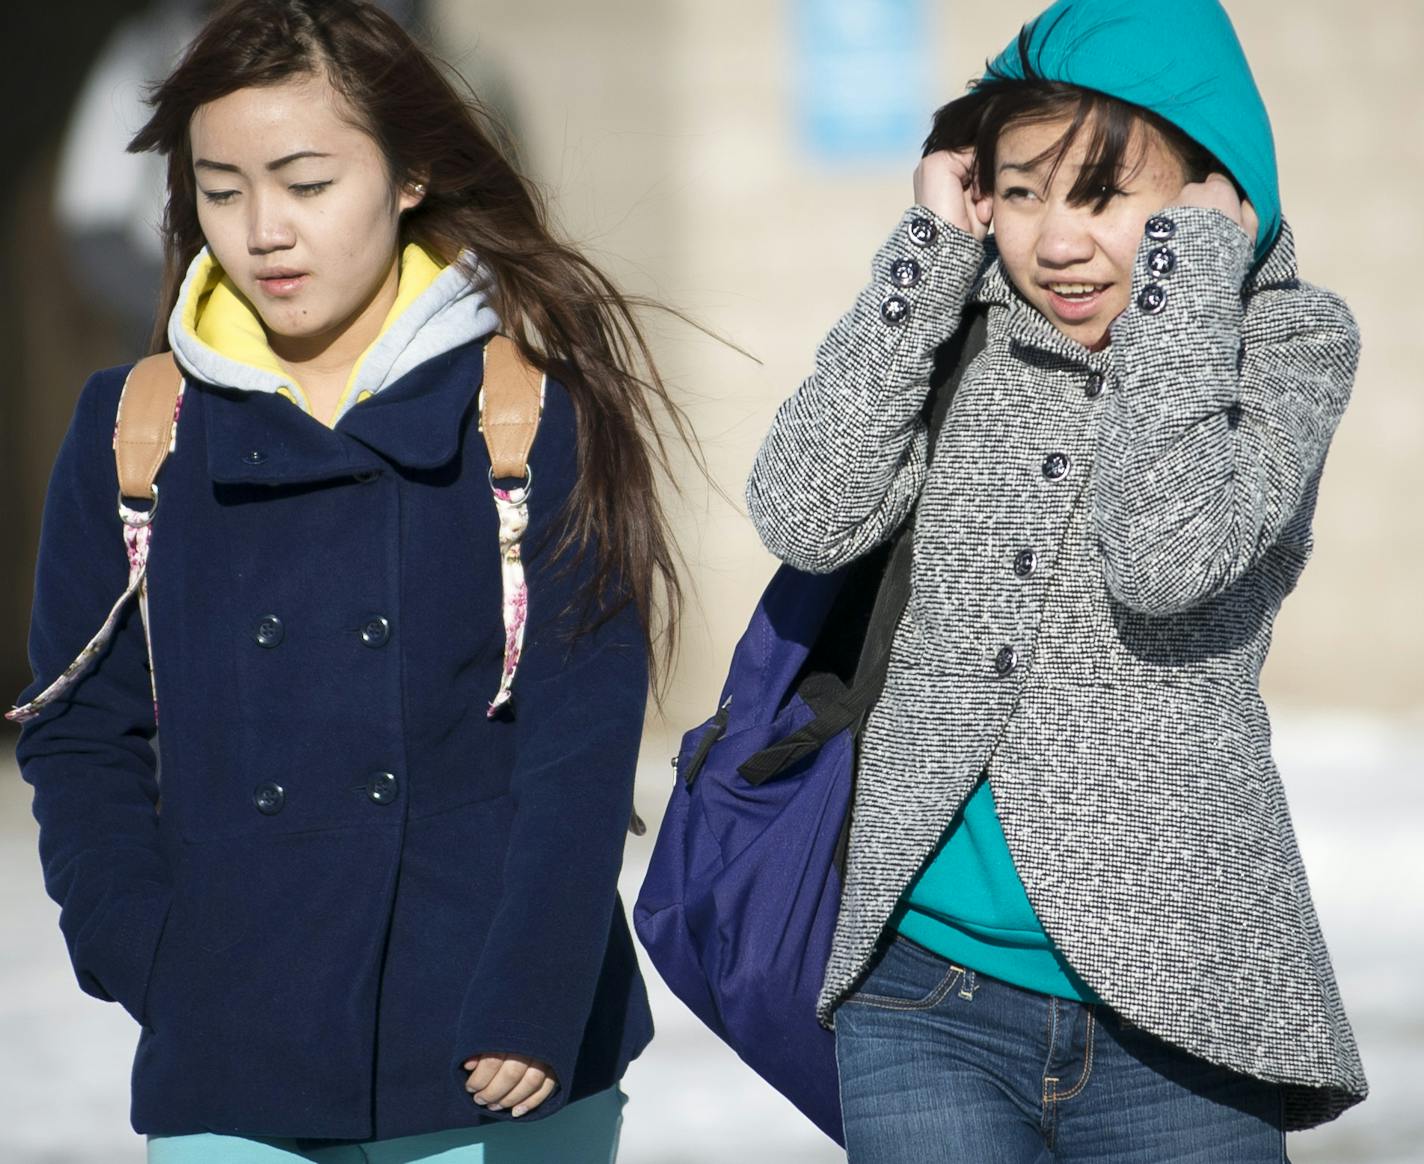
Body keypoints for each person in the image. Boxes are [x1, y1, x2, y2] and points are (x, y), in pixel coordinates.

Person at [12, 1, 689, 1160]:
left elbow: (579, 738)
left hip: (496, 1050)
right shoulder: (135, 427)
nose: (262, 230)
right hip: (233, 1056)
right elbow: (80, 733)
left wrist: (530, 991)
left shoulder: (522, 413)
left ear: (410, 171)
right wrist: (150, 953)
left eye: (305, 183)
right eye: (221, 190)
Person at [745, 1, 1366, 1159]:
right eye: (1019, 192)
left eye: (1101, 197)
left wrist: (1184, 291)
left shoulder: (1287, 348)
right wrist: (924, 259)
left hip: (1178, 1000)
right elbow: (803, 513)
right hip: (920, 988)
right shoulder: (956, 319)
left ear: (1206, 192)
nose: (1055, 241)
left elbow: (1167, 555)